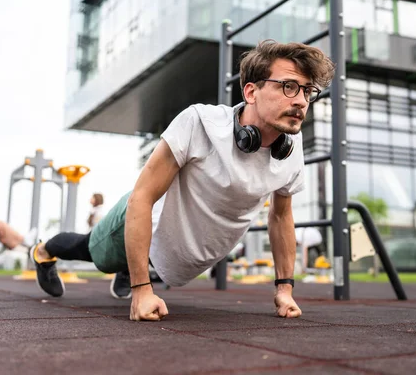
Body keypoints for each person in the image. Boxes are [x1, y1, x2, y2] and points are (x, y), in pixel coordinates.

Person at [28, 39, 335, 321]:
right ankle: (44, 251)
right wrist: (141, 291)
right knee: (93, 253)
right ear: (251, 92)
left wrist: (284, 289)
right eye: (289, 86)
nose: (301, 101)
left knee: (150, 264)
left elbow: (280, 217)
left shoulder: (289, 152)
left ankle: (131, 268)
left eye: (307, 91)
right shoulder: (199, 123)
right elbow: (142, 197)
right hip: (139, 217)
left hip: (174, 247)